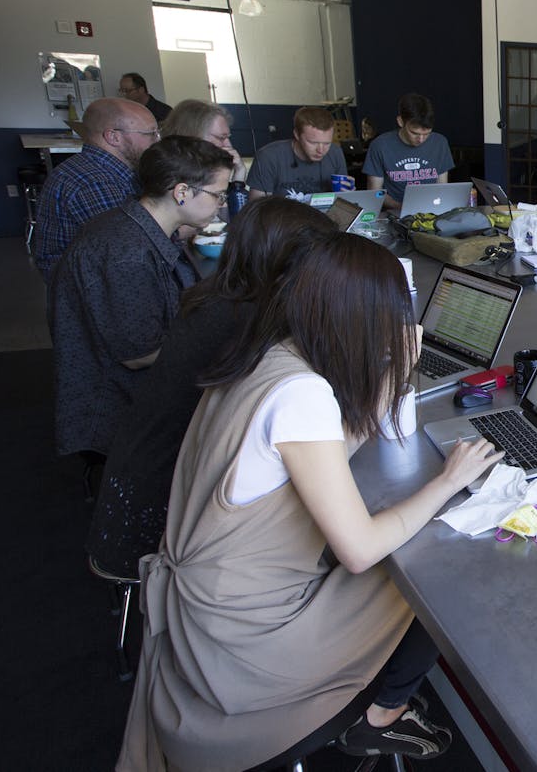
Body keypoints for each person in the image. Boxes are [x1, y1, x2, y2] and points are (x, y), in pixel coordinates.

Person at [117, 235, 504, 770]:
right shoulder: (303, 394)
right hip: (250, 640)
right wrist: (445, 480)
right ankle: (381, 714)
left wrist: (392, 371)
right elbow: (361, 550)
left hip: (216, 598)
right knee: (437, 567)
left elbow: (332, 443)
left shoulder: (270, 351)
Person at [86, 197, 337, 579]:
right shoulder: (250, 325)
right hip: (166, 520)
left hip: (136, 481)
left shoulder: (220, 297)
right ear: (292, 263)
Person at [47, 136, 234, 476]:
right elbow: (140, 354)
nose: (221, 204)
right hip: (120, 405)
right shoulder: (125, 253)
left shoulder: (138, 225)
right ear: (181, 192)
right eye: (218, 194)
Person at [33, 96, 160, 281]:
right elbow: (130, 247)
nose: (158, 141)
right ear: (113, 137)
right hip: (87, 290)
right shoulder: (93, 182)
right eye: (151, 133)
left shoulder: (107, 169)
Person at [364, 93, 454, 211]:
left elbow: (442, 187)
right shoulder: (380, 145)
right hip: (394, 212)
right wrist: (401, 207)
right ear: (400, 121)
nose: (421, 139)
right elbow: (374, 192)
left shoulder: (440, 143)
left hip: (431, 211)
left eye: (427, 134)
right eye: (414, 133)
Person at [247, 106, 349, 199]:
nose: (321, 150)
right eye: (313, 143)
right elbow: (257, 208)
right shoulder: (268, 157)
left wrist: (347, 194)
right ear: (296, 134)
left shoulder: (335, 153)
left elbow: (343, 200)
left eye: (327, 143)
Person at [163, 98, 247, 183]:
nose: (229, 145)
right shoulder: (170, 176)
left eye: (228, 137)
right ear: (194, 136)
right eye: (221, 138)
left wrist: (239, 173)